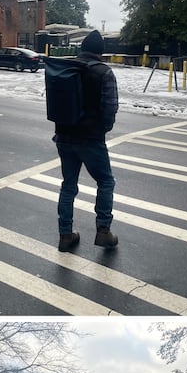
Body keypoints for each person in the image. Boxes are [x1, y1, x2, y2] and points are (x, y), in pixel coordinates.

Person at [53, 29, 119, 253]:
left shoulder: (66, 68)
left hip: (64, 136)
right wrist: (102, 129)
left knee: (68, 185)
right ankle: (103, 231)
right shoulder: (104, 72)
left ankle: (65, 235)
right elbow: (110, 108)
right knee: (106, 182)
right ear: (101, 52)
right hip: (90, 139)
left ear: (82, 49)